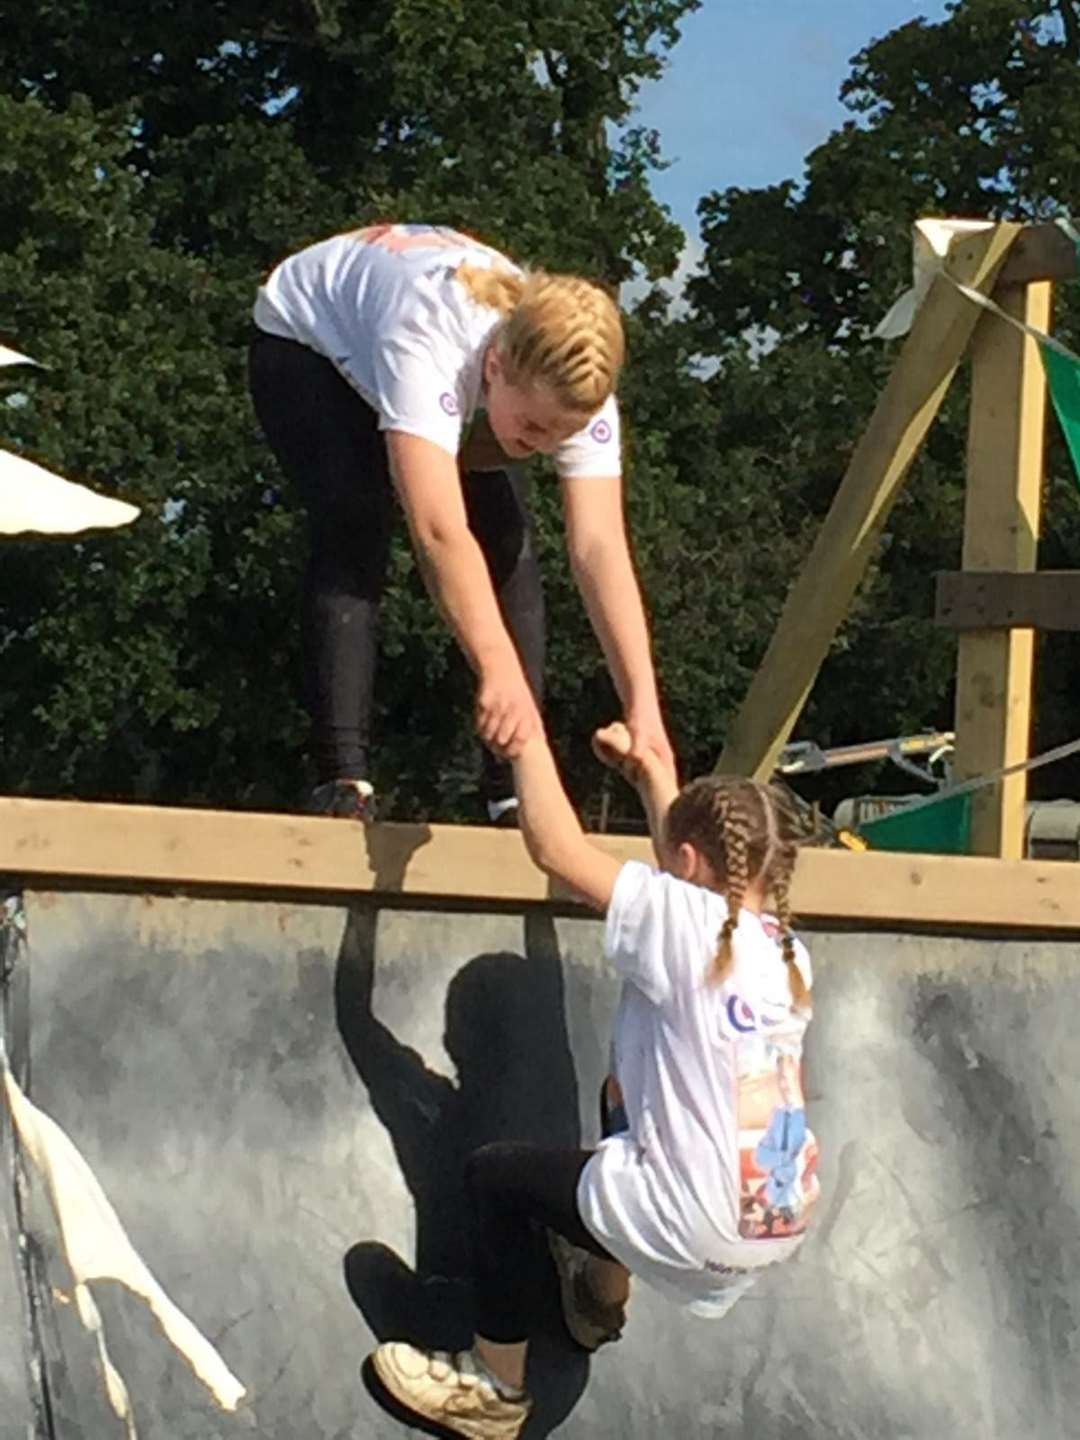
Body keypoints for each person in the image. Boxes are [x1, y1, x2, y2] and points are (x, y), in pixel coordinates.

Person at [368, 722, 820, 1440]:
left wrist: (522, 740)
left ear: (691, 860)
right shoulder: (786, 953)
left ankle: (492, 1386)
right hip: (771, 1220)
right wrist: (652, 778)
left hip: (689, 1219)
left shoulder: (688, 924)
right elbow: (685, 872)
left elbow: (558, 850)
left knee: (495, 1180)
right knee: (624, 1104)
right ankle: (601, 1295)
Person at [248, 222, 673, 822]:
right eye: (532, 428)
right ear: (495, 365)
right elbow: (439, 531)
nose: (542, 446)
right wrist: (495, 669)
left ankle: (511, 790)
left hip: (446, 371)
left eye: (560, 437)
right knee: (358, 518)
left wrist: (645, 708)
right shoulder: (430, 339)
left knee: (508, 541)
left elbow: (600, 546)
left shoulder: (579, 384)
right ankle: (341, 777)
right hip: (306, 345)